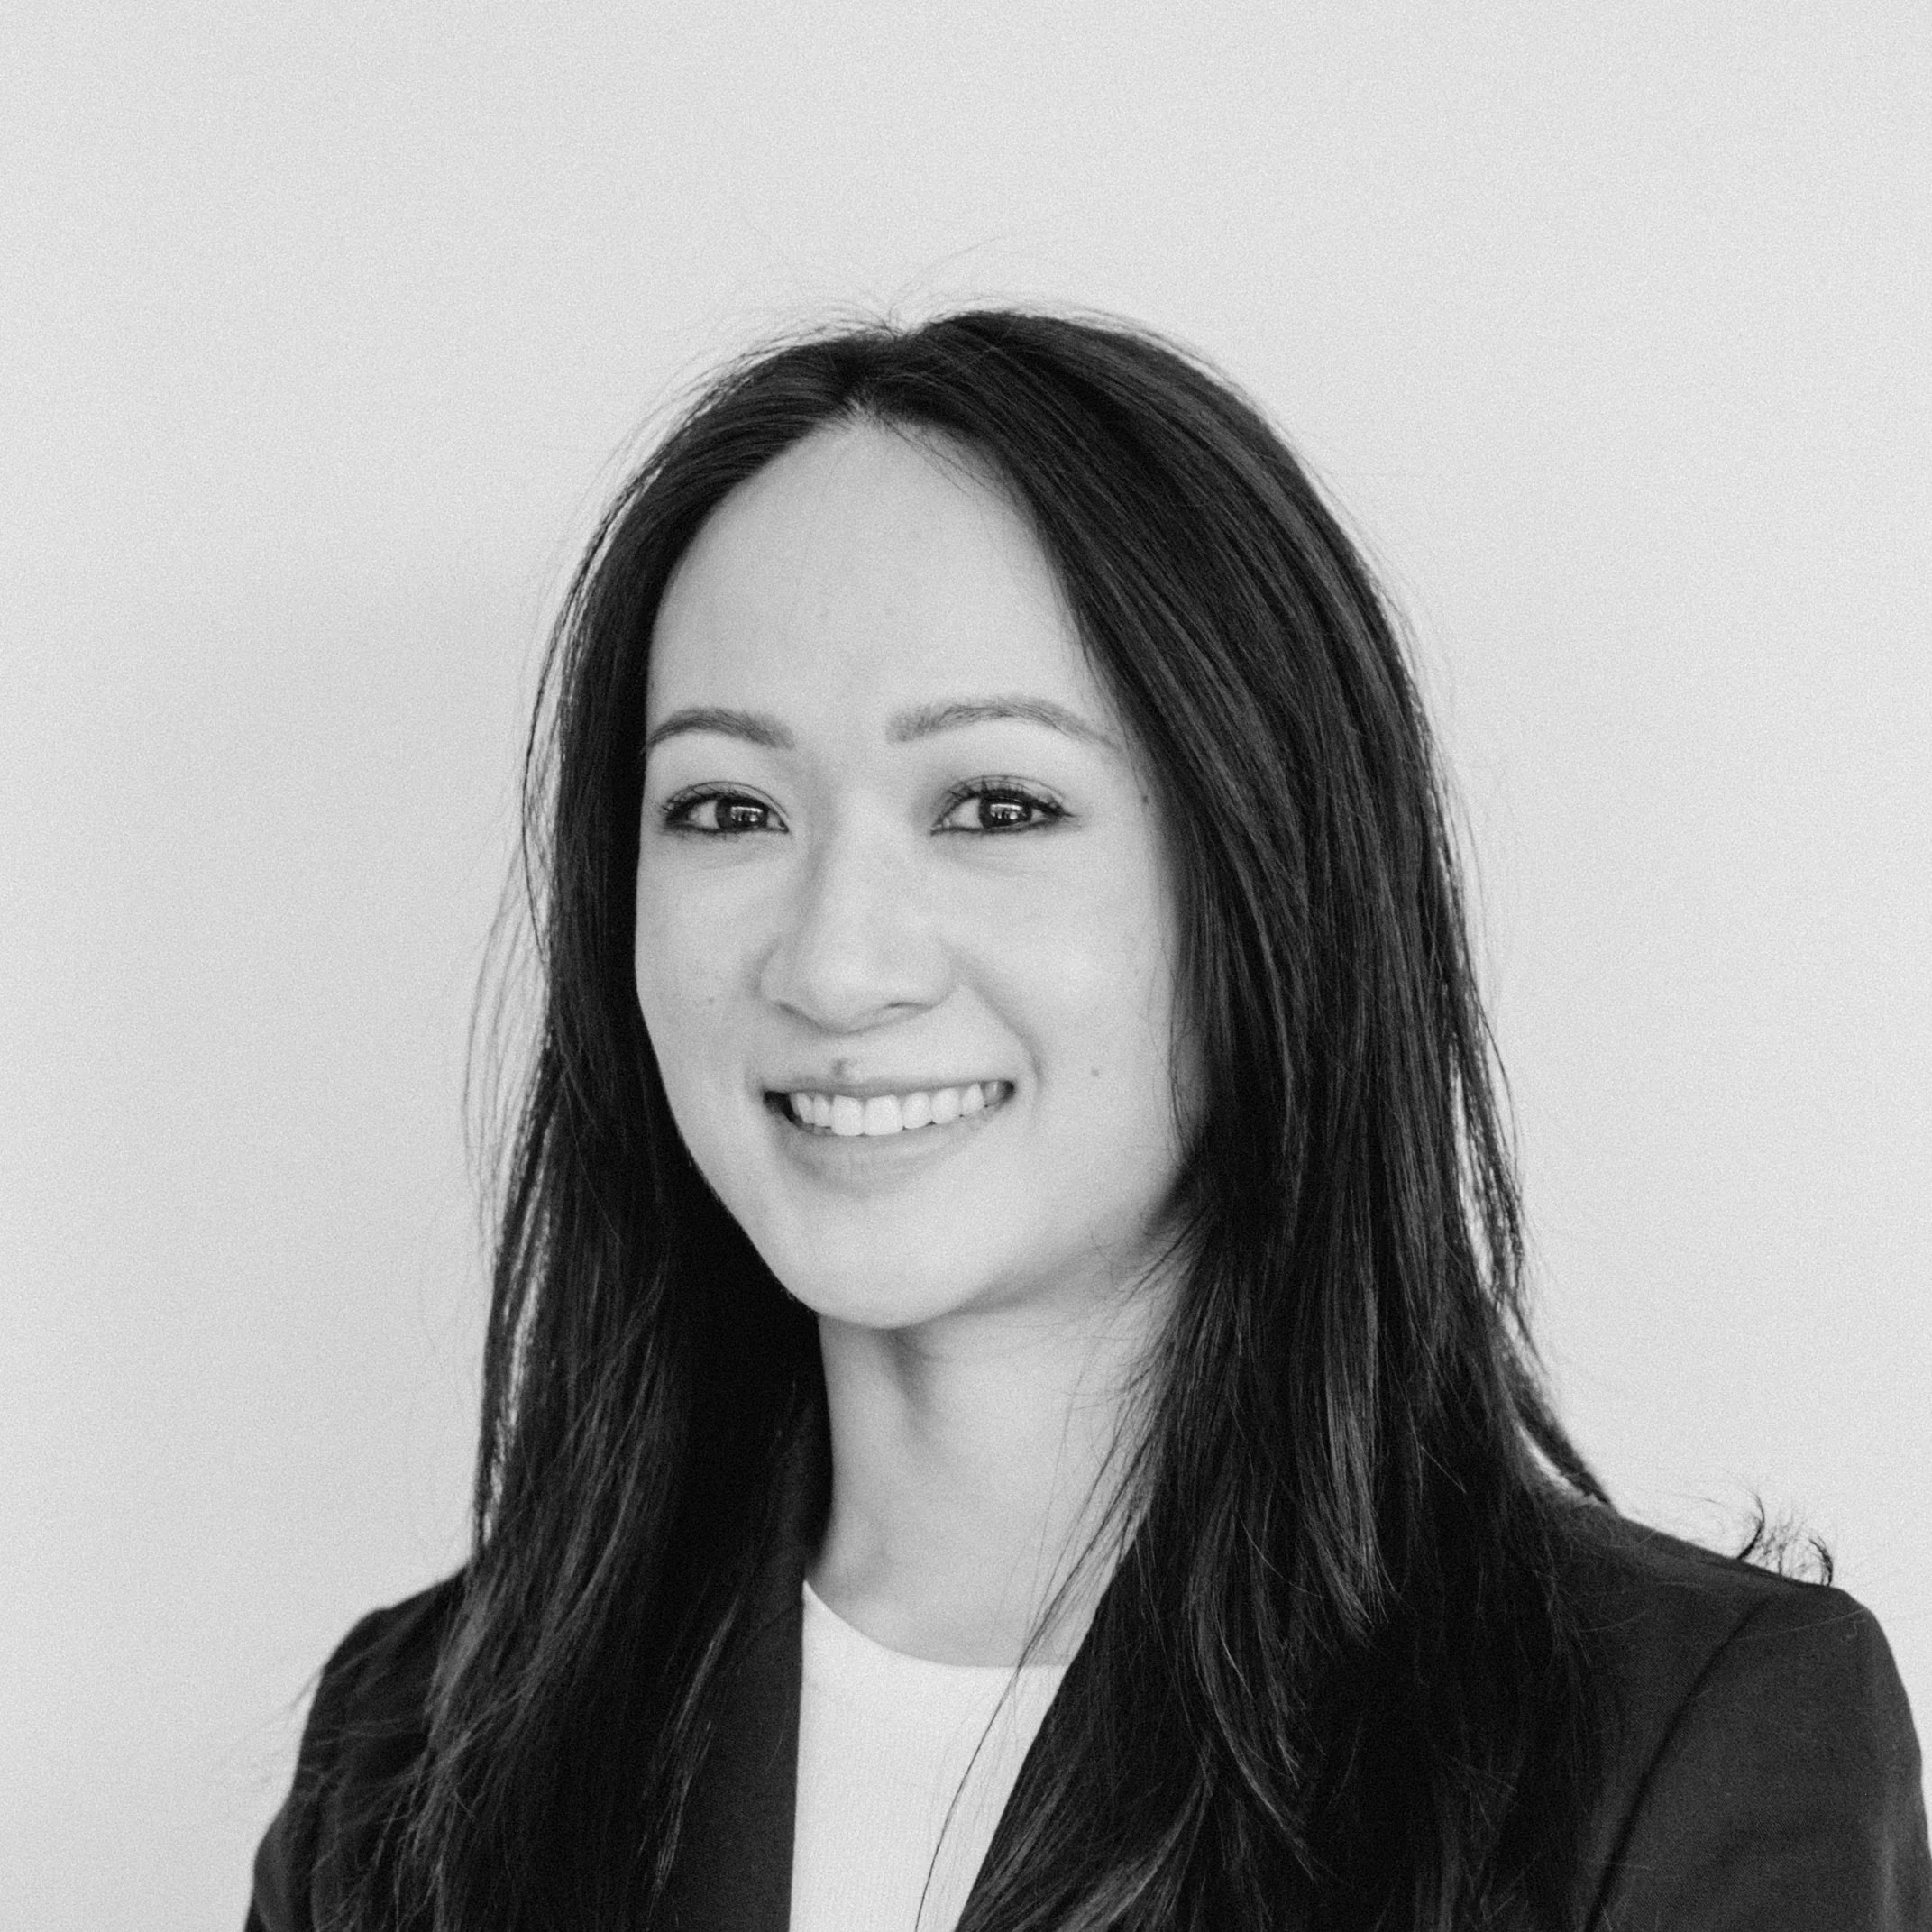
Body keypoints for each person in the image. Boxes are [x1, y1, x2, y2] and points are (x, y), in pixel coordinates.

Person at [246, 309, 1930, 1932]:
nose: (835, 961)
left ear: (1266, 883)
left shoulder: (1671, 1744)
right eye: (725, 806)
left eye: (994, 803)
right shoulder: (412, 1753)